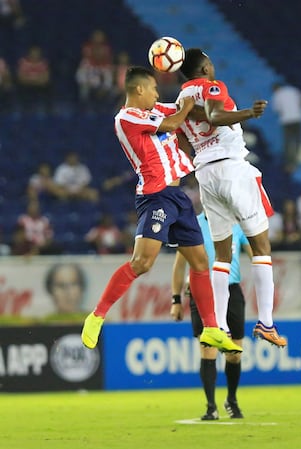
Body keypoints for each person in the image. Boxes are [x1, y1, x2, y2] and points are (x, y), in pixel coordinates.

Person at [81, 66, 241, 355]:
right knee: (142, 263)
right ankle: (97, 316)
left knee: (201, 263)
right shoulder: (126, 117)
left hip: (178, 198)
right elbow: (172, 122)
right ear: (139, 89)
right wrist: (187, 107)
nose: (157, 93)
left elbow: (181, 109)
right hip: (156, 197)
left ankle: (211, 329)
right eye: (154, 88)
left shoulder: (155, 109)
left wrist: (207, 99)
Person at [176, 48, 286, 347]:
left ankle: (219, 327)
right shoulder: (214, 86)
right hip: (232, 169)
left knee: (222, 257)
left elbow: (182, 141)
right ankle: (266, 322)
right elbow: (214, 114)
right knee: (261, 248)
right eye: (210, 64)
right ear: (205, 67)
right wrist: (248, 113)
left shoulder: (179, 103)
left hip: (205, 176)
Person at [171, 211, 252, 420]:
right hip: (202, 291)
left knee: (234, 353)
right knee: (208, 351)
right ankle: (211, 407)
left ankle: (231, 399)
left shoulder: (236, 222)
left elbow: (255, 252)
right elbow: (180, 266)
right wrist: (176, 300)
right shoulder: (192, 224)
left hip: (231, 289)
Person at [272, 82, 301, 173]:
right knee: (298, 141)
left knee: (288, 142)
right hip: (298, 118)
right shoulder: (293, 90)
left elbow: (277, 110)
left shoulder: (277, 95)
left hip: (286, 121)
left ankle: (290, 164)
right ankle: (297, 161)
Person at [16, 45, 51, 111]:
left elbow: (46, 77)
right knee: (19, 87)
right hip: (26, 85)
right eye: (33, 54)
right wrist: (32, 81)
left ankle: (48, 109)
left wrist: (37, 81)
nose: (35, 55)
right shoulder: (23, 62)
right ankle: (25, 109)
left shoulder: (43, 63)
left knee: (49, 87)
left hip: (40, 85)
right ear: (29, 54)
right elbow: (20, 77)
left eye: (37, 54)